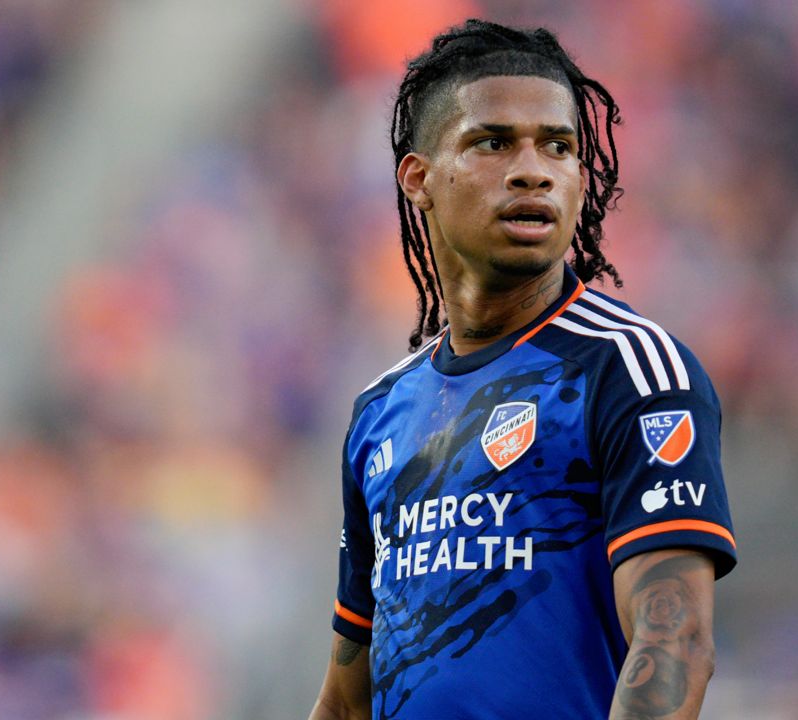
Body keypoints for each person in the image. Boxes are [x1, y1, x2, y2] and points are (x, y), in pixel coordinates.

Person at [308, 20, 737, 720]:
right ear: (418, 178)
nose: (534, 167)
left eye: (558, 147)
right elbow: (348, 703)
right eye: (493, 142)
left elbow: (676, 641)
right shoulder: (380, 412)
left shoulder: (628, 370)